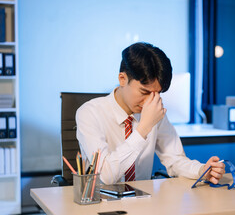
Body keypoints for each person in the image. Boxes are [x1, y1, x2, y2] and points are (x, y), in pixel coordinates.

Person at [76, 42, 225, 185]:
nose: (150, 101)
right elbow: (105, 175)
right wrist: (143, 128)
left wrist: (201, 170)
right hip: (99, 202)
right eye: (144, 92)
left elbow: (175, 160)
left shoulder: (155, 113)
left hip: (142, 201)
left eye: (157, 93)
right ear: (122, 79)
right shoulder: (89, 113)